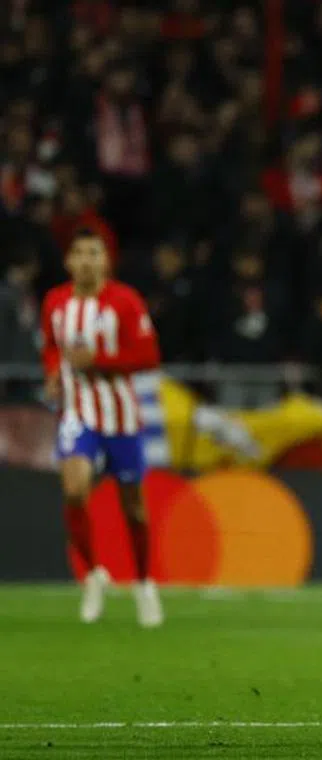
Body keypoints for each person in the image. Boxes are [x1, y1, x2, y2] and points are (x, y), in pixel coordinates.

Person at [40, 229, 163, 627]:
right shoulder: (55, 301)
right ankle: (93, 576)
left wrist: (100, 361)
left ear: (106, 261)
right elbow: (51, 347)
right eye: (79, 252)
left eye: (95, 252)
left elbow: (148, 355)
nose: (87, 260)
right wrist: (53, 374)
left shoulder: (125, 301)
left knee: (135, 507)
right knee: (74, 489)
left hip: (121, 416)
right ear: (68, 262)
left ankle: (144, 583)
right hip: (77, 413)